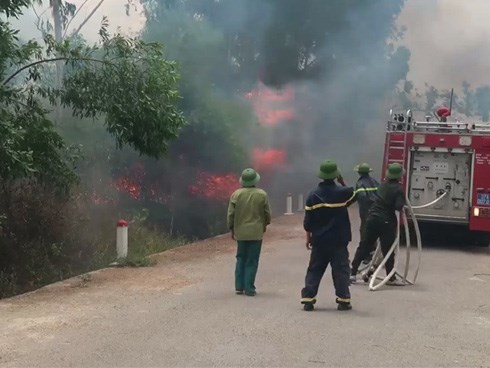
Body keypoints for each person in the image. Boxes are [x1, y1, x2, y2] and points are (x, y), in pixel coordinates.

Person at [300, 160, 354, 312]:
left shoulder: (313, 195)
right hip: (338, 240)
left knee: (315, 269)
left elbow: (308, 221)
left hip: (320, 240)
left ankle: (308, 299)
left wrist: (308, 237)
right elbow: (353, 193)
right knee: (341, 269)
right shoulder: (343, 193)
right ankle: (343, 300)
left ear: (321, 176)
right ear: (335, 175)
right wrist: (342, 181)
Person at [350, 163, 406, 285]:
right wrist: (403, 202)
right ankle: (390, 278)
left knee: (364, 246)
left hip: (372, 218)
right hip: (386, 222)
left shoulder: (382, 185)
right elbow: (398, 206)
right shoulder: (397, 189)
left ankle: (352, 273)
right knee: (388, 250)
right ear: (399, 176)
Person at [227, 168, 271, 296]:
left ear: (242, 181)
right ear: (255, 180)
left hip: (240, 232)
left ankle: (239, 287)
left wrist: (231, 228)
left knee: (240, 257)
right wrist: (265, 224)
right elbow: (267, 213)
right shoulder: (262, 194)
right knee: (252, 259)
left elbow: (231, 214)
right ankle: (249, 288)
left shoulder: (236, 195)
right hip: (256, 232)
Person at [353, 163, 380, 264]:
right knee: (374, 232)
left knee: (365, 233)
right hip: (377, 211)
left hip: (366, 213)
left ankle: (366, 256)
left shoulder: (360, 183)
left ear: (359, 172)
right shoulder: (374, 181)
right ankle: (374, 254)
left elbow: (361, 196)